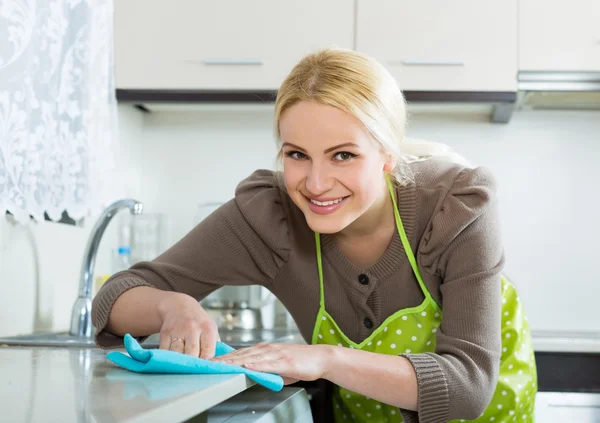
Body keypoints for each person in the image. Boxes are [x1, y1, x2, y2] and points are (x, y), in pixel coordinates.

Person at [92, 48, 537, 423]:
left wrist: (322, 358)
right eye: (297, 155)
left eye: (343, 155)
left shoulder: (456, 206)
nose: (316, 183)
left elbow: (469, 385)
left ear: (386, 154)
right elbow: (114, 299)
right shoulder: (271, 218)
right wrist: (172, 305)